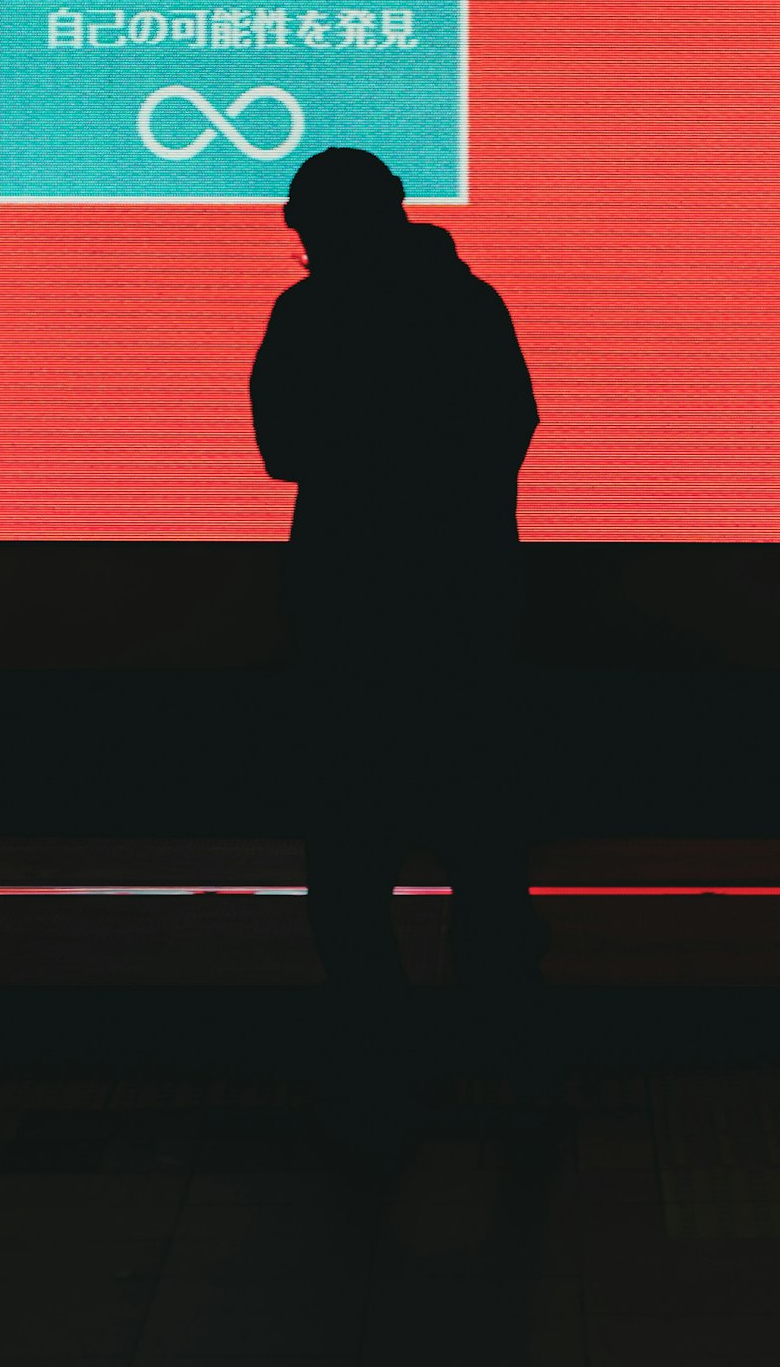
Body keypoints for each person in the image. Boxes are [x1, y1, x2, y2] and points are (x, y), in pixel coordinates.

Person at [250, 146, 550, 1158]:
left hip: (347, 619)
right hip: (465, 611)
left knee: (347, 865)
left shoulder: (308, 317)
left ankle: (378, 1062)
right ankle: (501, 1059)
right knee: (486, 860)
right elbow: (512, 424)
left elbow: (282, 447)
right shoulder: (470, 306)